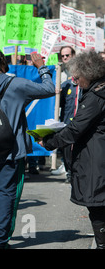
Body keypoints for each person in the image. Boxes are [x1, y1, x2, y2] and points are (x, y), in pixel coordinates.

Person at [0, 49, 55, 249]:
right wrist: (41, 66)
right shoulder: (15, 84)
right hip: (12, 150)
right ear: (2, 62)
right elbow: (49, 88)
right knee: (8, 193)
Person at [39, 50, 105, 249]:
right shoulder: (97, 90)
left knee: (97, 205)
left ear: (89, 73)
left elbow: (75, 129)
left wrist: (49, 142)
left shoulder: (96, 96)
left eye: (78, 76)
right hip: (96, 152)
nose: (75, 79)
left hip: (96, 156)